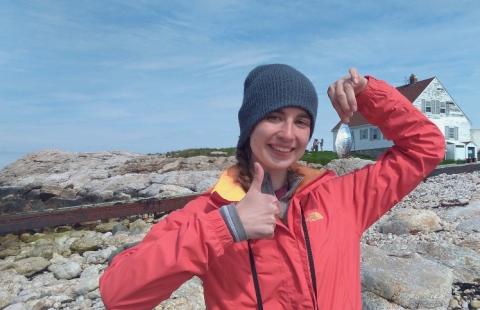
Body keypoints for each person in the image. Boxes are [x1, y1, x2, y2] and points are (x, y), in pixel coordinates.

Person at [99, 64, 444, 309]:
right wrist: (227, 226)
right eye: (274, 117)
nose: (287, 134)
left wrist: (370, 96)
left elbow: (426, 146)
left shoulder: (342, 198)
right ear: (249, 125)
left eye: (301, 121)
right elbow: (120, 294)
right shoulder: (208, 214)